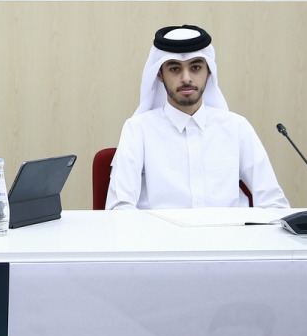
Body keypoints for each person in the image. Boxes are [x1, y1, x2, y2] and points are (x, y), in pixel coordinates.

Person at [105, 24, 289, 210]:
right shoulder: (138, 129)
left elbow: (273, 203)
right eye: (175, 69)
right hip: (160, 238)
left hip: (229, 237)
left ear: (209, 72)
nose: (186, 78)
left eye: (196, 67)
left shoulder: (236, 127)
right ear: (160, 75)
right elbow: (119, 207)